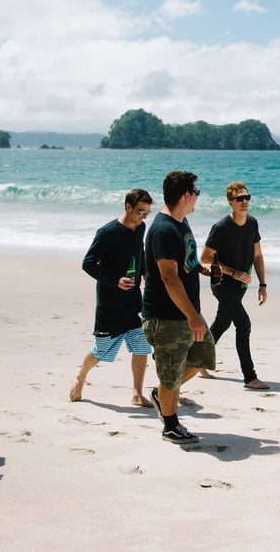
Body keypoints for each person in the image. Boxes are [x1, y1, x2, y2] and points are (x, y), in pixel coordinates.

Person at [141, 171, 216, 444]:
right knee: (171, 374)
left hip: (184, 314)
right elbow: (168, 277)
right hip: (167, 317)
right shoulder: (163, 229)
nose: (197, 197)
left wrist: (200, 268)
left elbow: (184, 262)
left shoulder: (180, 223)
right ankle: (170, 425)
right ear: (186, 195)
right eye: (196, 192)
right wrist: (193, 316)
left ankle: (162, 396)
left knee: (202, 356)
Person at [70, 188, 155, 407]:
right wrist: (115, 280)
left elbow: (140, 251)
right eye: (140, 212)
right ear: (128, 206)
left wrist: (144, 271)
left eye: (147, 213)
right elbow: (88, 264)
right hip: (110, 302)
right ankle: (80, 377)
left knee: (142, 345)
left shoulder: (141, 227)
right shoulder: (108, 232)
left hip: (133, 300)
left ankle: (137, 392)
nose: (144, 217)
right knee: (101, 350)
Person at [198, 181, 269, 390]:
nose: (244, 201)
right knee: (243, 325)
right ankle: (249, 377)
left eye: (247, 197)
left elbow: (257, 255)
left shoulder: (252, 223)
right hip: (222, 284)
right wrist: (233, 272)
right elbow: (205, 257)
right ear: (230, 202)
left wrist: (263, 284)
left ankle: (198, 361)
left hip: (240, 286)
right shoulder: (221, 227)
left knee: (221, 323)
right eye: (239, 198)